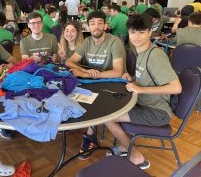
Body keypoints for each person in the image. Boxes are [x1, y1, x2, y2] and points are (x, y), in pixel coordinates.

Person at [104, 14, 182, 169]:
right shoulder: (140, 50)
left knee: (108, 118)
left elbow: (176, 88)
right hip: (142, 103)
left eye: (141, 32)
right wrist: (132, 79)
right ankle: (126, 146)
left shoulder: (156, 56)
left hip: (157, 112)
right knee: (110, 106)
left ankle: (136, 156)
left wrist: (139, 88)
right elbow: (146, 76)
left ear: (149, 32)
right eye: (133, 32)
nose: (136, 36)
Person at [65, 10, 125, 160]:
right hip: (92, 81)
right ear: (88, 26)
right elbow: (69, 62)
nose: (96, 26)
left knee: (95, 103)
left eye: (100, 23)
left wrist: (90, 74)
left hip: (111, 85)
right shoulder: (87, 42)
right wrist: (84, 72)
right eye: (92, 23)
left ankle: (89, 136)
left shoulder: (114, 42)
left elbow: (118, 72)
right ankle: (67, 123)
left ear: (105, 25)